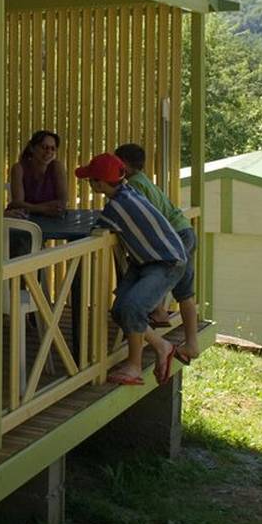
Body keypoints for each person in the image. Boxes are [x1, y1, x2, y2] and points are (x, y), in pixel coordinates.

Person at [76, 152, 188, 386]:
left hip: (166, 262)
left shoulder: (117, 207)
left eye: (90, 179)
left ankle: (134, 367)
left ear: (99, 182)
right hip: (146, 261)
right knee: (120, 311)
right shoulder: (128, 192)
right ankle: (162, 347)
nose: (88, 183)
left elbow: (94, 228)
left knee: (132, 307)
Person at [114, 143, 201, 364]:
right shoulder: (142, 180)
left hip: (175, 237)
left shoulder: (134, 185)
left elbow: (147, 219)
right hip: (184, 231)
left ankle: (160, 313)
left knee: (160, 275)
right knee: (185, 293)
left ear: (123, 164)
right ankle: (191, 343)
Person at [10, 130, 67, 217]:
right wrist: (44, 209)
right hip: (24, 221)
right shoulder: (19, 168)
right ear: (32, 148)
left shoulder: (57, 167)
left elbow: (62, 202)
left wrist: (30, 207)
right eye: (44, 147)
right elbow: (17, 204)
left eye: (53, 149)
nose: (49, 151)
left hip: (53, 221)